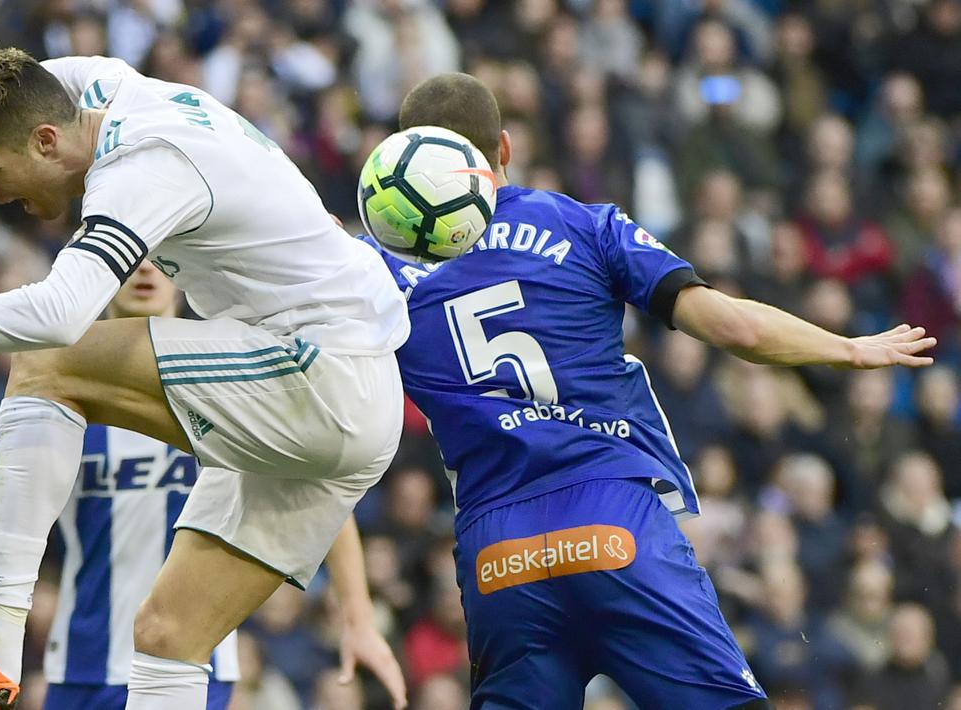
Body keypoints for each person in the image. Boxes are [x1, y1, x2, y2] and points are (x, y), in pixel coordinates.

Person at [0, 49, 409, 710]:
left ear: (46, 143)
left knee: (46, 364)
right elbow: (34, 86)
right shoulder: (109, 86)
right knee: (167, 634)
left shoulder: (140, 168)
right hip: (353, 396)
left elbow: (60, 316)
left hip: (317, 369)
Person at [359, 73, 935, 709]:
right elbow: (732, 325)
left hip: (497, 553)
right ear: (503, 149)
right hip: (612, 519)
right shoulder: (580, 225)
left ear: (399, 156)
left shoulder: (372, 274)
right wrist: (847, 347)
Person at [0, 262, 405, 710]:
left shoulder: (236, 387)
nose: (146, 268)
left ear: (183, 274)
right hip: (82, 660)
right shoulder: (64, 392)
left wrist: (358, 617)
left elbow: (317, 499)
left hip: (198, 656)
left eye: (162, 259)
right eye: (131, 259)